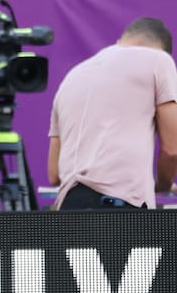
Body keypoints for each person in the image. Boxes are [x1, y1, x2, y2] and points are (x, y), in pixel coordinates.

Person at [49, 16, 177, 210]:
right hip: (119, 209)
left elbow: (54, 174)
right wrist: (162, 186)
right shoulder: (158, 60)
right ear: (160, 48)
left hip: (69, 208)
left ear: (122, 40)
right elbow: (172, 149)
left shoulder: (71, 77)